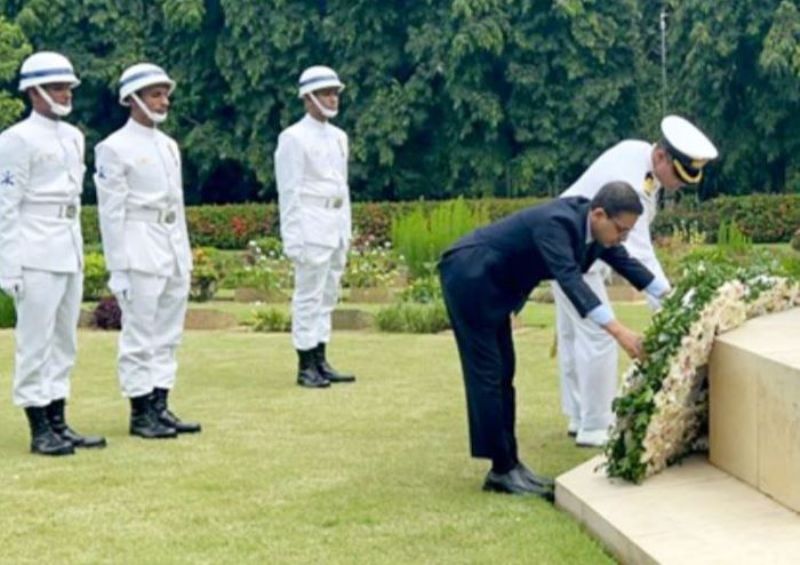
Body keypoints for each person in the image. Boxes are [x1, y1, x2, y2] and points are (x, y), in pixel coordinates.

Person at [439, 182, 668, 497]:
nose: (622, 238)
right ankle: (501, 470)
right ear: (599, 214)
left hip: (494, 284)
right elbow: (571, 281)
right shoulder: (557, 224)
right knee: (488, 374)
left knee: (504, 373)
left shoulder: (598, 230)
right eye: (621, 230)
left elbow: (628, 265)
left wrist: (674, 297)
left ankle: (509, 464)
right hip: (470, 274)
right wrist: (620, 332)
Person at [554, 115, 718, 447]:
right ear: (661, 157)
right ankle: (596, 426)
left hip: (580, 246)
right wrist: (674, 309)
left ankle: (579, 415)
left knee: (573, 335)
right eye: (679, 175)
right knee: (597, 333)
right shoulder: (633, 181)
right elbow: (638, 254)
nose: (681, 184)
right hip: (571, 249)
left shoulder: (639, 158)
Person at [0, 51, 106, 455]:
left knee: (65, 340)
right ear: (34, 91)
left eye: (68, 87)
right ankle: (38, 425)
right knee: (35, 340)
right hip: (33, 247)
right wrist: (8, 264)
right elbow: (6, 205)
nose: (66, 94)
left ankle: (59, 419)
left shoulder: (74, 137)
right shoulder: (15, 140)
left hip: (68, 244)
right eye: (58, 87)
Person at [94, 63, 200, 439]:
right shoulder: (113, 148)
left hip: (170, 245)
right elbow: (111, 213)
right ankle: (140, 412)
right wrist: (118, 267)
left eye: (165, 93)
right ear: (133, 99)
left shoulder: (169, 145)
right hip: (139, 244)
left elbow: (178, 205)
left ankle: (160, 403)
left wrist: (183, 255)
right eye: (155, 94)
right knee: (140, 332)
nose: (163, 100)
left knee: (168, 332)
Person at [275, 65, 356, 389]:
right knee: (308, 296)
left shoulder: (339, 137)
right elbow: (289, 191)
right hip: (310, 225)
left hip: (334, 225)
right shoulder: (293, 138)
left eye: (335, 92)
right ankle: (306, 362)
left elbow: (342, 187)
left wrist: (345, 229)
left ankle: (321, 357)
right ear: (308, 98)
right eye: (325, 93)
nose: (333, 98)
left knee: (328, 295)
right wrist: (292, 237)